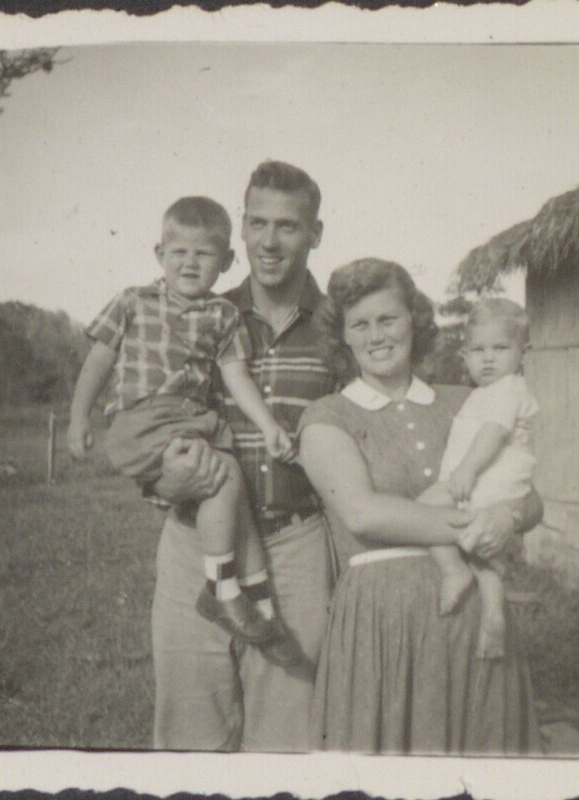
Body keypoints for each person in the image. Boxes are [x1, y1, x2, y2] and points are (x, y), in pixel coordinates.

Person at [299, 258, 542, 754]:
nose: (376, 335)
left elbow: (530, 497)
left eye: (388, 319)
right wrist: (475, 526)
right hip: (382, 625)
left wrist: (507, 516)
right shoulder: (328, 416)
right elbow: (363, 514)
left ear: (414, 319)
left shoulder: (466, 400)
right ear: (343, 337)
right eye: (360, 324)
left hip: (474, 621)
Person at [148, 162, 337, 751]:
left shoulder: (340, 329)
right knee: (190, 732)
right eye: (257, 223)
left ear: (316, 233)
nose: (269, 241)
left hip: (297, 543)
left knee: (288, 735)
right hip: (195, 540)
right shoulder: (199, 313)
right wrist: (162, 481)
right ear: (242, 228)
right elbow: (150, 415)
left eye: (288, 226)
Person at [67, 196, 296, 652]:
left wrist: (269, 424)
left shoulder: (223, 316)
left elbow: (235, 375)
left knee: (235, 488)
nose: (190, 263)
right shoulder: (133, 301)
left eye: (204, 254)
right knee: (221, 480)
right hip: (144, 418)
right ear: (160, 255)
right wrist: (78, 418)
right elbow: (97, 363)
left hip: (191, 421)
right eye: (180, 252)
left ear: (227, 261)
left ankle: (257, 596)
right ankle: (222, 588)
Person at [417, 297, 538, 660]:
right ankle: (493, 615)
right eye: (478, 350)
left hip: (489, 479)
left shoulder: (508, 390)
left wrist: (466, 470)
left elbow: (493, 434)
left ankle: (453, 572)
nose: (488, 359)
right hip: (492, 483)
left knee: (425, 508)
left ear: (523, 352)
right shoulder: (483, 393)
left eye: (501, 348)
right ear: (465, 355)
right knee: (483, 555)